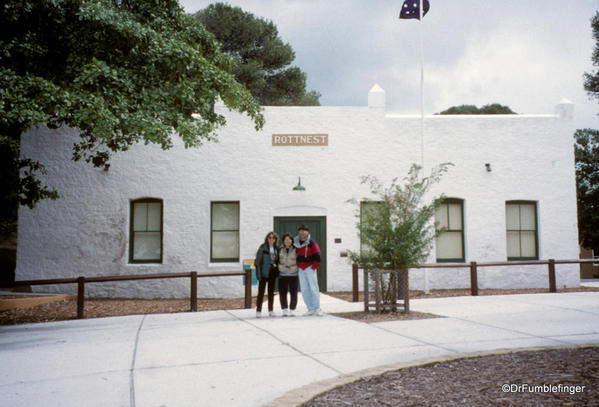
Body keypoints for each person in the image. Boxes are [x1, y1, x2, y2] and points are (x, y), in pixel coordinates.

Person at [294, 224, 323, 316]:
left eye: (304, 230)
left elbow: (318, 254)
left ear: (308, 232)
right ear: (299, 232)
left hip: (310, 268)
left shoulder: (312, 243)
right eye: (301, 230)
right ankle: (310, 308)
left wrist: (314, 266)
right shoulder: (296, 243)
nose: (302, 232)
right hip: (301, 269)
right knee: (304, 289)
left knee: (313, 288)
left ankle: (317, 308)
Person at [255, 231, 279, 318]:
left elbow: (277, 260)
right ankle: (258, 310)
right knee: (261, 292)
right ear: (267, 238)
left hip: (272, 272)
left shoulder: (276, 248)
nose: (271, 239)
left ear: (275, 239)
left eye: (273, 238)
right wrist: (258, 274)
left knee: (271, 292)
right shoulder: (263, 248)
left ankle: (271, 310)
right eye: (270, 237)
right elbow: (257, 262)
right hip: (264, 272)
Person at [278, 233, 299, 317]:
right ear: (283, 241)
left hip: (293, 274)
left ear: (292, 241)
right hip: (282, 274)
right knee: (282, 293)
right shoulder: (279, 249)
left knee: (293, 292)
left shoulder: (296, 249)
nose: (288, 241)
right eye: (286, 239)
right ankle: (284, 309)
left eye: (289, 239)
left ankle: (292, 309)